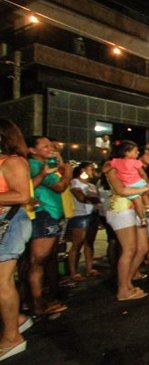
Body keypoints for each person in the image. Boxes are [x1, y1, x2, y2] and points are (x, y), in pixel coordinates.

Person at [26, 136, 71, 317]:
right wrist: (68, 172)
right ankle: (37, 304)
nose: (50, 148)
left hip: (51, 214)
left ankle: (40, 299)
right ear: (32, 150)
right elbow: (59, 186)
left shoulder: (45, 166)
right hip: (44, 214)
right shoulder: (35, 166)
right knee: (37, 261)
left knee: (43, 260)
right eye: (45, 146)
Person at [0, 120, 33, 361]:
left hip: (10, 224)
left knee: (2, 282)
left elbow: (22, 194)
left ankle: (11, 338)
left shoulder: (12, 161)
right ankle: (17, 320)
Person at [103, 161, 149, 301]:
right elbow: (122, 190)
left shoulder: (136, 170)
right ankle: (122, 290)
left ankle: (127, 282)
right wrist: (146, 187)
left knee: (142, 248)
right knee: (129, 249)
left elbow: (145, 190)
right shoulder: (113, 169)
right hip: (122, 209)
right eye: (134, 152)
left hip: (138, 210)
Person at [66, 162, 101, 281]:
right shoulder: (75, 182)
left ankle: (89, 268)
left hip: (92, 215)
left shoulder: (91, 185)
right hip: (80, 215)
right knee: (77, 244)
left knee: (89, 242)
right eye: (91, 169)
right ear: (83, 170)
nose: (93, 171)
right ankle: (73, 272)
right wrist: (95, 199)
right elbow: (80, 197)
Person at [110, 141, 149, 227]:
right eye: (136, 151)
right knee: (145, 194)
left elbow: (106, 168)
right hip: (134, 185)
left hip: (129, 186)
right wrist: (145, 183)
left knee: (138, 201)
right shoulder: (135, 162)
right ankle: (146, 211)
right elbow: (143, 174)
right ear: (127, 152)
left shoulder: (116, 162)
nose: (138, 153)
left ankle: (144, 216)